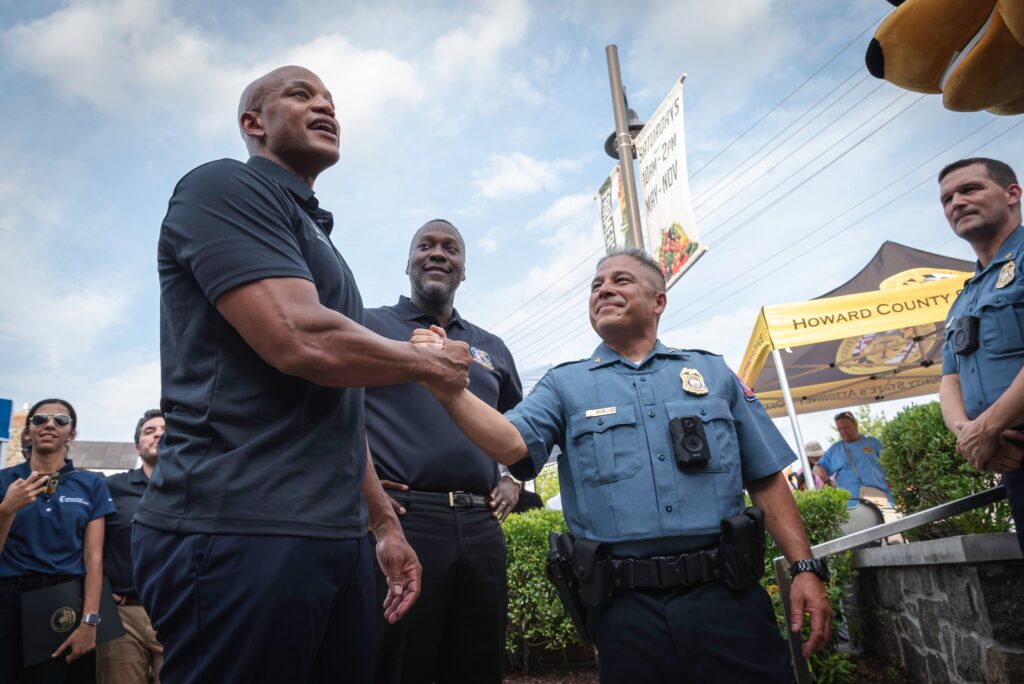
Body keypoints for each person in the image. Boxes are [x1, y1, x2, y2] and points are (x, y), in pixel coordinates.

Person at [131, 65, 473, 684]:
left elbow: (338, 405)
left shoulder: (316, 238)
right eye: (301, 94)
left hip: (331, 535)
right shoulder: (222, 188)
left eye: (332, 101)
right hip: (237, 526)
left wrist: (384, 524)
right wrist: (429, 364)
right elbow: (298, 338)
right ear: (252, 123)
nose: (325, 107)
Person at [413, 248, 832, 683]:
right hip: (625, 612)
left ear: (658, 301)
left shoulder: (712, 373)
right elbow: (508, 441)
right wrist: (445, 388)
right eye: (596, 285)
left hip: (727, 599)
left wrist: (804, 569)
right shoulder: (564, 384)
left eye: (621, 280)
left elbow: (766, 476)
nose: (604, 289)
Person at [363, 219, 524, 684]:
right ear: (407, 262)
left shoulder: (491, 348)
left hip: (481, 527)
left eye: (450, 248)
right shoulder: (368, 324)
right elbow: (335, 412)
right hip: (407, 521)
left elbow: (527, 426)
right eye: (426, 246)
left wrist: (515, 478)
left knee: (479, 664)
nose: (438, 253)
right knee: (398, 666)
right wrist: (370, 501)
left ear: (463, 270)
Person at [937, 157, 1024, 552]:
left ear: (1012, 194)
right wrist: (969, 436)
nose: (956, 202)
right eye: (947, 199)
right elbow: (950, 379)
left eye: (970, 189)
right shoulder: (965, 296)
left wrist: (986, 428)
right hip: (1008, 456)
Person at [0, 398, 116, 683]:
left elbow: (94, 557)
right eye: (40, 419)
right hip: (8, 599)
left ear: (71, 434)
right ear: (28, 432)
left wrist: (90, 620)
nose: (49, 424)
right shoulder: (5, 482)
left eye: (60, 420)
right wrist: (6, 510)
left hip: (62, 600)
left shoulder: (91, 484)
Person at [96, 409, 164, 683]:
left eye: (165, 430)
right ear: (138, 447)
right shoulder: (111, 488)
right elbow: (87, 544)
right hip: (123, 615)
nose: (159, 434)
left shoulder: (196, 489)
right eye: (150, 431)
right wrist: (100, 591)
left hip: (178, 613)